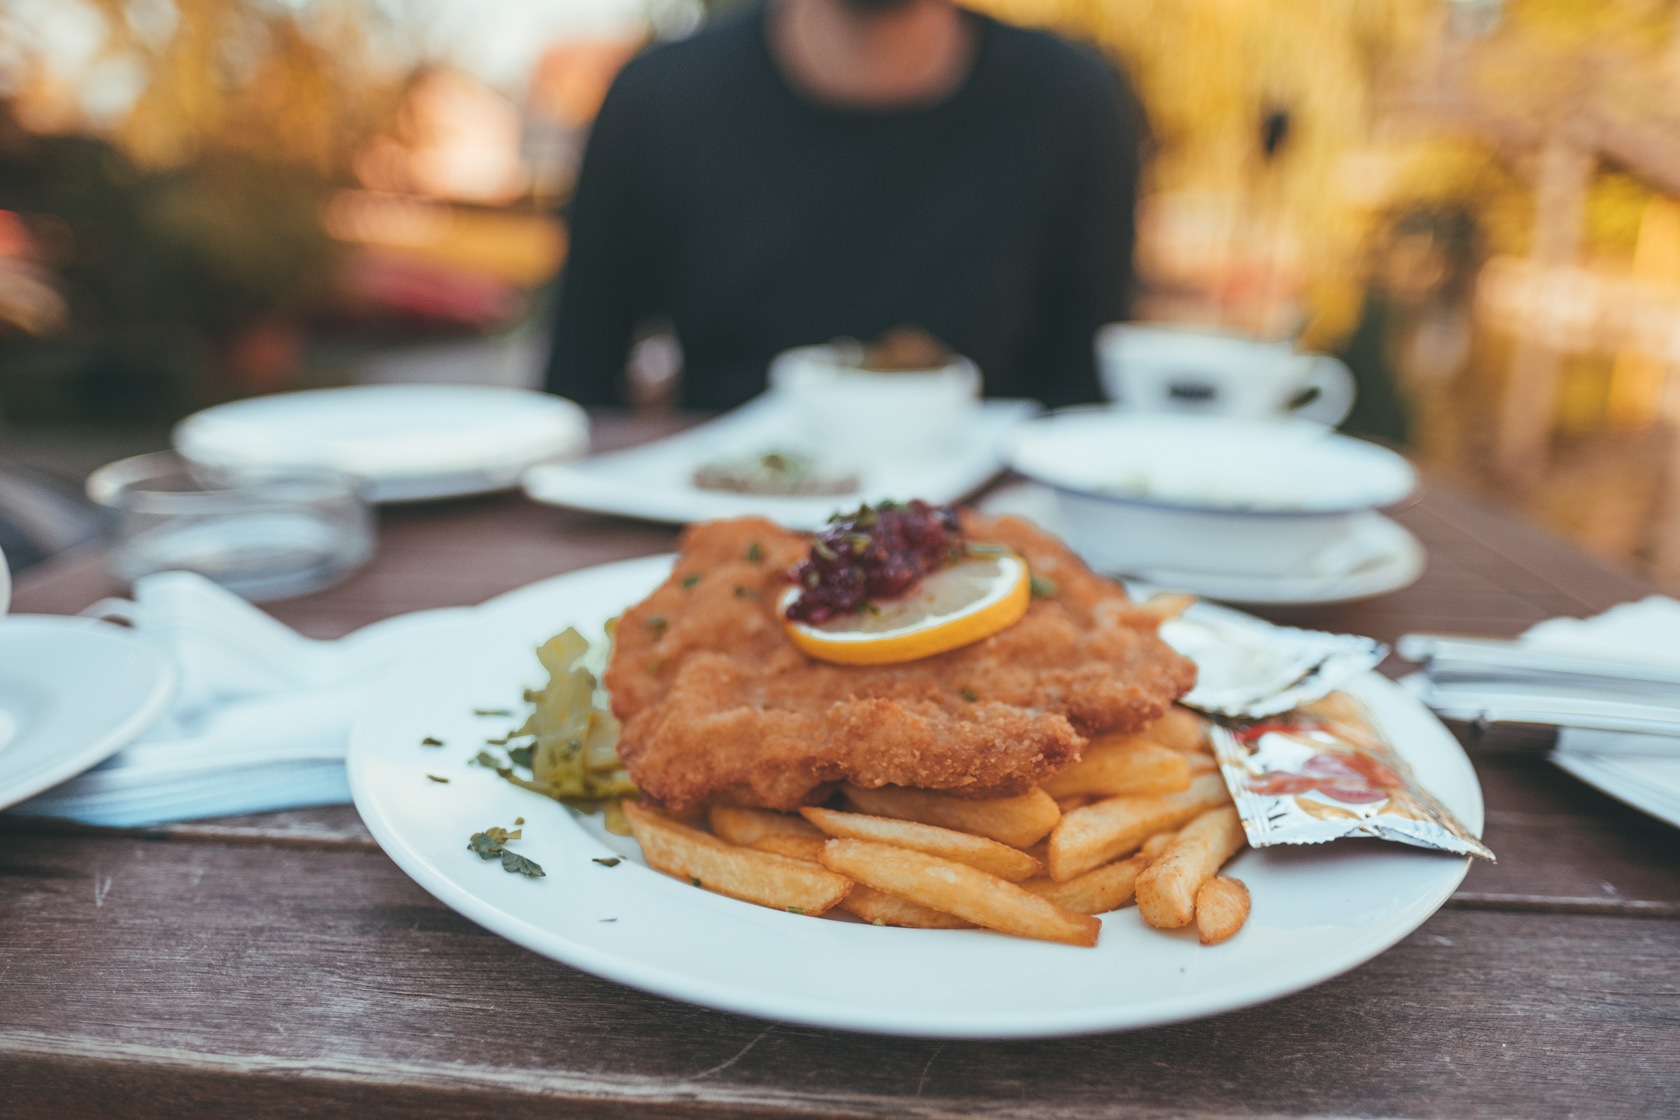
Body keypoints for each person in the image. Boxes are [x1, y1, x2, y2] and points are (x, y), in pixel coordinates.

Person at [544, 0, 1144, 411]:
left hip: (992, 544)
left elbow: (1087, 395)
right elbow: (576, 390)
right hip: (714, 530)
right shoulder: (655, 101)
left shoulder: (1072, 102)